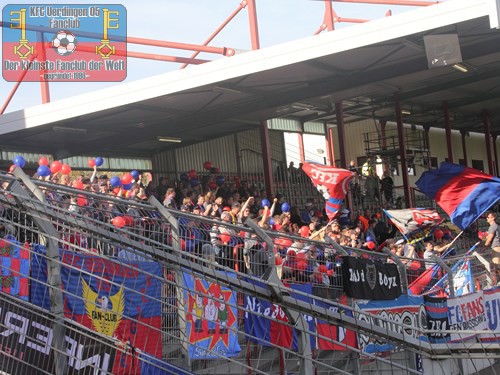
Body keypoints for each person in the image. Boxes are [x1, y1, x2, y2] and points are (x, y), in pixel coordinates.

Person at [484, 213, 500, 281]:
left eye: (488, 217)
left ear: (493, 218)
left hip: (496, 247)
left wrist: (485, 246)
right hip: (498, 246)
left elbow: (490, 238)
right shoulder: (498, 226)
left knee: (497, 265)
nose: (487, 218)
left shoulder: (492, 226)